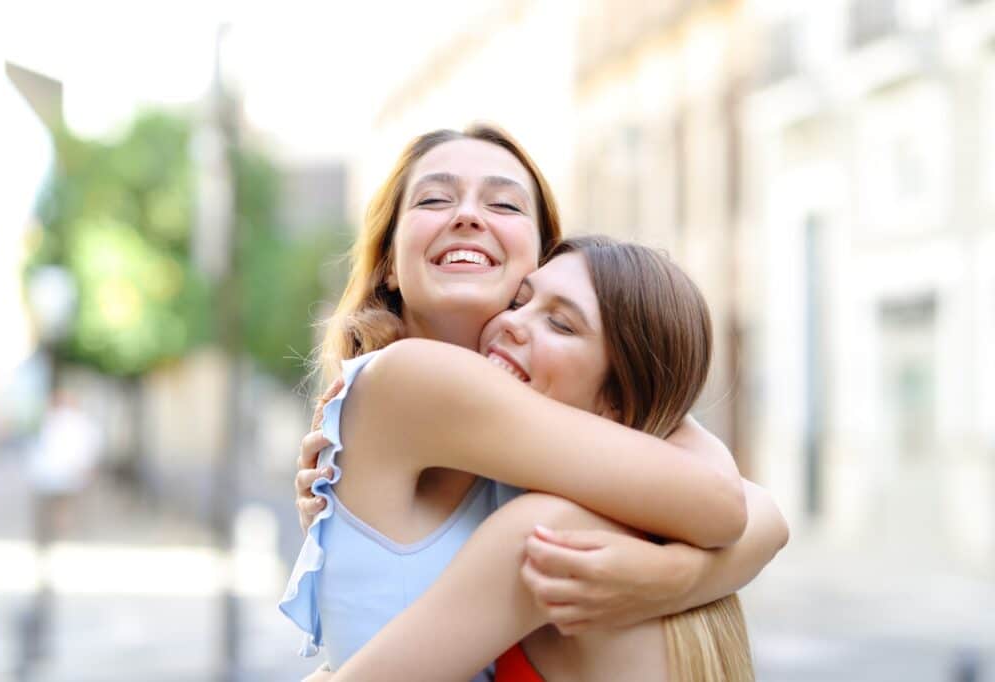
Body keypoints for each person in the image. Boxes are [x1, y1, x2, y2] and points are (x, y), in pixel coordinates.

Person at [282, 124, 787, 677]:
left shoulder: (544, 440)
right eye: (433, 199)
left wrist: (670, 578)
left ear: (538, 258)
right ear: (389, 264)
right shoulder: (409, 376)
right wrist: (674, 577)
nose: (468, 215)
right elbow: (724, 503)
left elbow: (748, 506)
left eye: (503, 203)